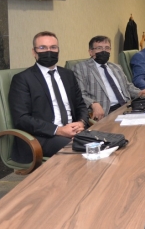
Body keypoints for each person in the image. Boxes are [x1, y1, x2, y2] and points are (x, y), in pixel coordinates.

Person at [8, 31, 89, 163]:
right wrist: (59, 130)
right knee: (84, 151)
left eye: (53, 47)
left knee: (105, 144)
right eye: (42, 48)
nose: (49, 51)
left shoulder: (68, 75)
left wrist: (81, 123)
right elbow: (22, 119)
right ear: (34, 52)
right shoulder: (22, 79)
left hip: (73, 131)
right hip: (41, 137)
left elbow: (81, 105)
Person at [72, 35, 145, 121]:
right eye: (99, 48)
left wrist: (140, 92)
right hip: (107, 111)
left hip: (127, 106)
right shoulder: (80, 68)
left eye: (107, 48)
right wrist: (93, 103)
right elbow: (80, 94)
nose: (104, 51)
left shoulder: (116, 67)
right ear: (91, 52)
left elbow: (127, 86)